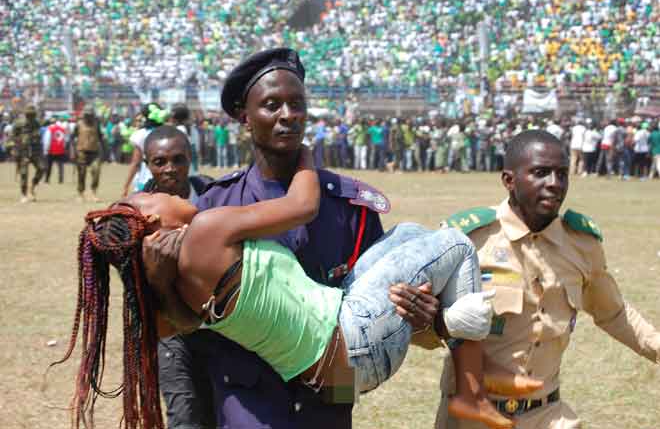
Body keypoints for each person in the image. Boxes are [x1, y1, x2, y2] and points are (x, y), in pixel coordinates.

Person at [58, 143, 540, 429]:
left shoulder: (169, 293)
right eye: (155, 197)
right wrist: (307, 150)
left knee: (414, 236)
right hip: (351, 342)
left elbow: (173, 327)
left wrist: (160, 279)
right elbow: (303, 204)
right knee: (456, 243)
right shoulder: (205, 231)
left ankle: (453, 325)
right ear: (150, 223)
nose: (167, 192)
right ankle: (471, 389)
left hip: (331, 365)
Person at [143, 48, 431, 429]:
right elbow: (187, 323)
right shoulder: (214, 205)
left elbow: (373, 308)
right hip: (247, 401)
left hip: (328, 398)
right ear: (245, 117)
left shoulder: (351, 207)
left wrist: (420, 319)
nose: (287, 115)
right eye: (271, 105)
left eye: (297, 104)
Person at [395, 130, 660, 428]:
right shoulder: (467, 241)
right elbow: (419, 328)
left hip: (548, 414)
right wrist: (435, 323)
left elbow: (614, 312)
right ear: (509, 180)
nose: (554, 184)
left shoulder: (582, 244)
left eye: (562, 174)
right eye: (540, 173)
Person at [140, 124, 216, 428]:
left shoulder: (215, 196)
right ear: (147, 165)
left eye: (178, 159)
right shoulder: (137, 214)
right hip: (168, 330)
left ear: (190, 158)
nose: (170, 169)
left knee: (219, 410)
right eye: (160, 162)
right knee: (184, 413)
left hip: (218, 327)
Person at [122, 103, 168, 196]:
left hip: (146, 180)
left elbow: (135, 163)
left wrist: (126, 186)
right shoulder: (169, 132)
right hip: (166, 179)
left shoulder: (140, 135)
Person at [7, 105, 46, 203]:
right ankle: (24, 194)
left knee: (42, 168)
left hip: (35, 151)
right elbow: (11, 136)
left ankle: (33, 185)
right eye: (30, 115)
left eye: (33, 115)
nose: (31, 117)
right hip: (23, 151)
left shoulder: (36, 123)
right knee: (24, 173)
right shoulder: (18, 123)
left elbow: (38, 136)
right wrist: (13, 148)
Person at [72, 105, 105, 202]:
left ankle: (93, 192)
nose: (89, 117)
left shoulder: (96, 124)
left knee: (96, 171)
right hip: (81, 151)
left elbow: (100, 137)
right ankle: (80, 193)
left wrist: (104, 150)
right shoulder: (78, 124)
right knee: (81, 173)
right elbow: (73, 137)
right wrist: (74, 151)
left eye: (90, 115)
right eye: (87, 115)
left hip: (94, 152)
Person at [43, 117, 68, 184]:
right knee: (60, 166)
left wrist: (46, 150)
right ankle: (61, 180)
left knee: (49, 166)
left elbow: (47, 140)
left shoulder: (49, 129)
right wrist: (64, 148)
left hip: (51, 150)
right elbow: (65, 140)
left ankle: (47, 179)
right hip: (60, 149)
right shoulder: (62, 129)